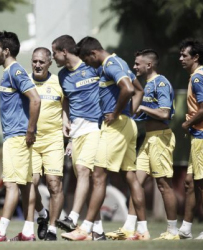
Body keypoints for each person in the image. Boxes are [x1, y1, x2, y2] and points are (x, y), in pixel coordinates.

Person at [72, 36, 146, 241]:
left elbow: (129, 89)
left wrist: (116, 113)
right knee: (130, 177)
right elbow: (139, 89)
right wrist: (131, 112)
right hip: (127, 124)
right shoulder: (119, 62)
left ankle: (86, 228)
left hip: (116, 125)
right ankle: (143, 229)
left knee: (98, 175)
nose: (88, 65)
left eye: (87, 60)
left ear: (93, 54)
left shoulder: (111, 64)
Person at [107, 49, 178, 240]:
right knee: (135, 183)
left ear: (149, 65)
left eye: (138, 64)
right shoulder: (146, 85)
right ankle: (130, 228)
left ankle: (173, 231)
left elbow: (165, 113)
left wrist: (142, 107)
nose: (135, 66)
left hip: (161, 138)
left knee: (164, 185)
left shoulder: (161, 83)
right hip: (149, 138)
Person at [0, 31, 41, 242]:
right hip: (15, 136)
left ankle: (1, 232)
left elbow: (35, 99)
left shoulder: (15, 71)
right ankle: (28, 231)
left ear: (6, 51)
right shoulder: (9, 72)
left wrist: (30, 130)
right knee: (25, 185)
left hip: (17, 137)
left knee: (11, 185)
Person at [50, 35, 105, 241]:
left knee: (83, 171)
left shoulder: (92, 66)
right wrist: (66, 120)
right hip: (76, 133)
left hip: (94, 128)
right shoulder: (63, 75)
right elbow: (66, 100)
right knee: (85, 178)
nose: (53, 57)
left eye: (54, 52)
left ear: (64, 52)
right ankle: (97, 230)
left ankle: (72, 217)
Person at [29, 47, 64, 241]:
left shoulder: (59, 82)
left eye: (42, 62)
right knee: (30, 183)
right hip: (31, 140)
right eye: (34, 61)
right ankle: (42, 214)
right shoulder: (25, 81)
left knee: (54, 184)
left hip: (53, 140)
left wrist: (68, 127)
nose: (37, 65)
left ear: (49, 63)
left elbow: (66, 107)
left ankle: (52, 229)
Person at [179, 38, 203, 240]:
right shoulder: (195, 76)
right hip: (197, 136)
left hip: (201, 137)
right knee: (189, 182)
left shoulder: (198, 78)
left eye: (184, 55)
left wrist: (187, 123)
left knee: (201, 184)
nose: (181, 59)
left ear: (196, 57)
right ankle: (185, 230)